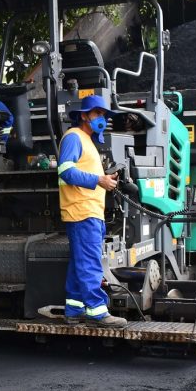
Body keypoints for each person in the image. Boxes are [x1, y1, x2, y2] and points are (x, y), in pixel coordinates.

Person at [57, 94, 127, 329]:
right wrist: (99, 180)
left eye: (104, 115)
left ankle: (74, 309)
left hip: (88, 211)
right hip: (82, 211)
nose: (102, 119)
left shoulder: (88, 142)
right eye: (98, 114)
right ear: (84, 115)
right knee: (89, 263)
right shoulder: (74, 137)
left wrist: (105, 179)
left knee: (81, 262)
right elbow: (65, 171)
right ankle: (98, 312)